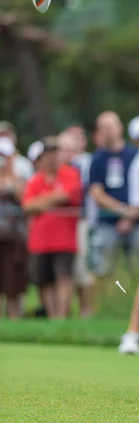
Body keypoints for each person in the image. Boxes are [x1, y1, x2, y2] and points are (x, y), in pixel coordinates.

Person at [88, 112, 139, 288]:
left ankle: (132, 303)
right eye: (103, 127)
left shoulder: (134, 155)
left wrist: (131, 216)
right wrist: (123, 211)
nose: (108, 131)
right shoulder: (98, 158)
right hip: (107, 222)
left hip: (137, 221)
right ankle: (107, 305)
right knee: (104, 269)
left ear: (120, 127)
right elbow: (97, 193)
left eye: (111, 126)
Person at [22, 136, 82, 318]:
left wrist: (41, 201)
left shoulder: (70, 174)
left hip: (64, 239)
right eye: (48, 154)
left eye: (54, 153)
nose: (52, 157)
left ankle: (62, 317)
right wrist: (52, 198)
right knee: (44, 280)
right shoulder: (35, 180)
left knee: (63, 277)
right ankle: (52, 316)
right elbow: (28, 206)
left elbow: (66, 195)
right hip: (40, 241)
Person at [58, 130, 95, 318]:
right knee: (67, 270)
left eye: (71, 148)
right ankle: (65, 312)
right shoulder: (57, 169)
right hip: (62, 225)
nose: (67, 153)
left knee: (82, 269)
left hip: (82, 222)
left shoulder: (87, 164)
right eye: (63, 149)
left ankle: (86, 311)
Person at [0, 137, 28, 318]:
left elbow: (25, 200)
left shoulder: (20, 178)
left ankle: (14, 318)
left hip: (14, 239)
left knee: (13, 284)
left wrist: (11, 184)